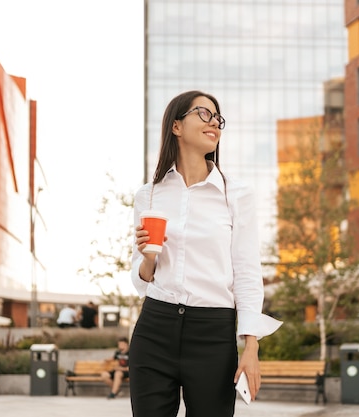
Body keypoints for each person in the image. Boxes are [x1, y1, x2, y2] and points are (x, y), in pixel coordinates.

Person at [129, 90, 282, 417]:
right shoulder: (149, 194)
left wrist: (250, 346)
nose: (214, 122)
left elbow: (247, 274)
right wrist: (148, 257)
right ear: (176, 126)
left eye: (218, 118)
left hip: (212, 333)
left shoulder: (236, 195)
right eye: (203, 113)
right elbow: (142, 280)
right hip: (156, 325)